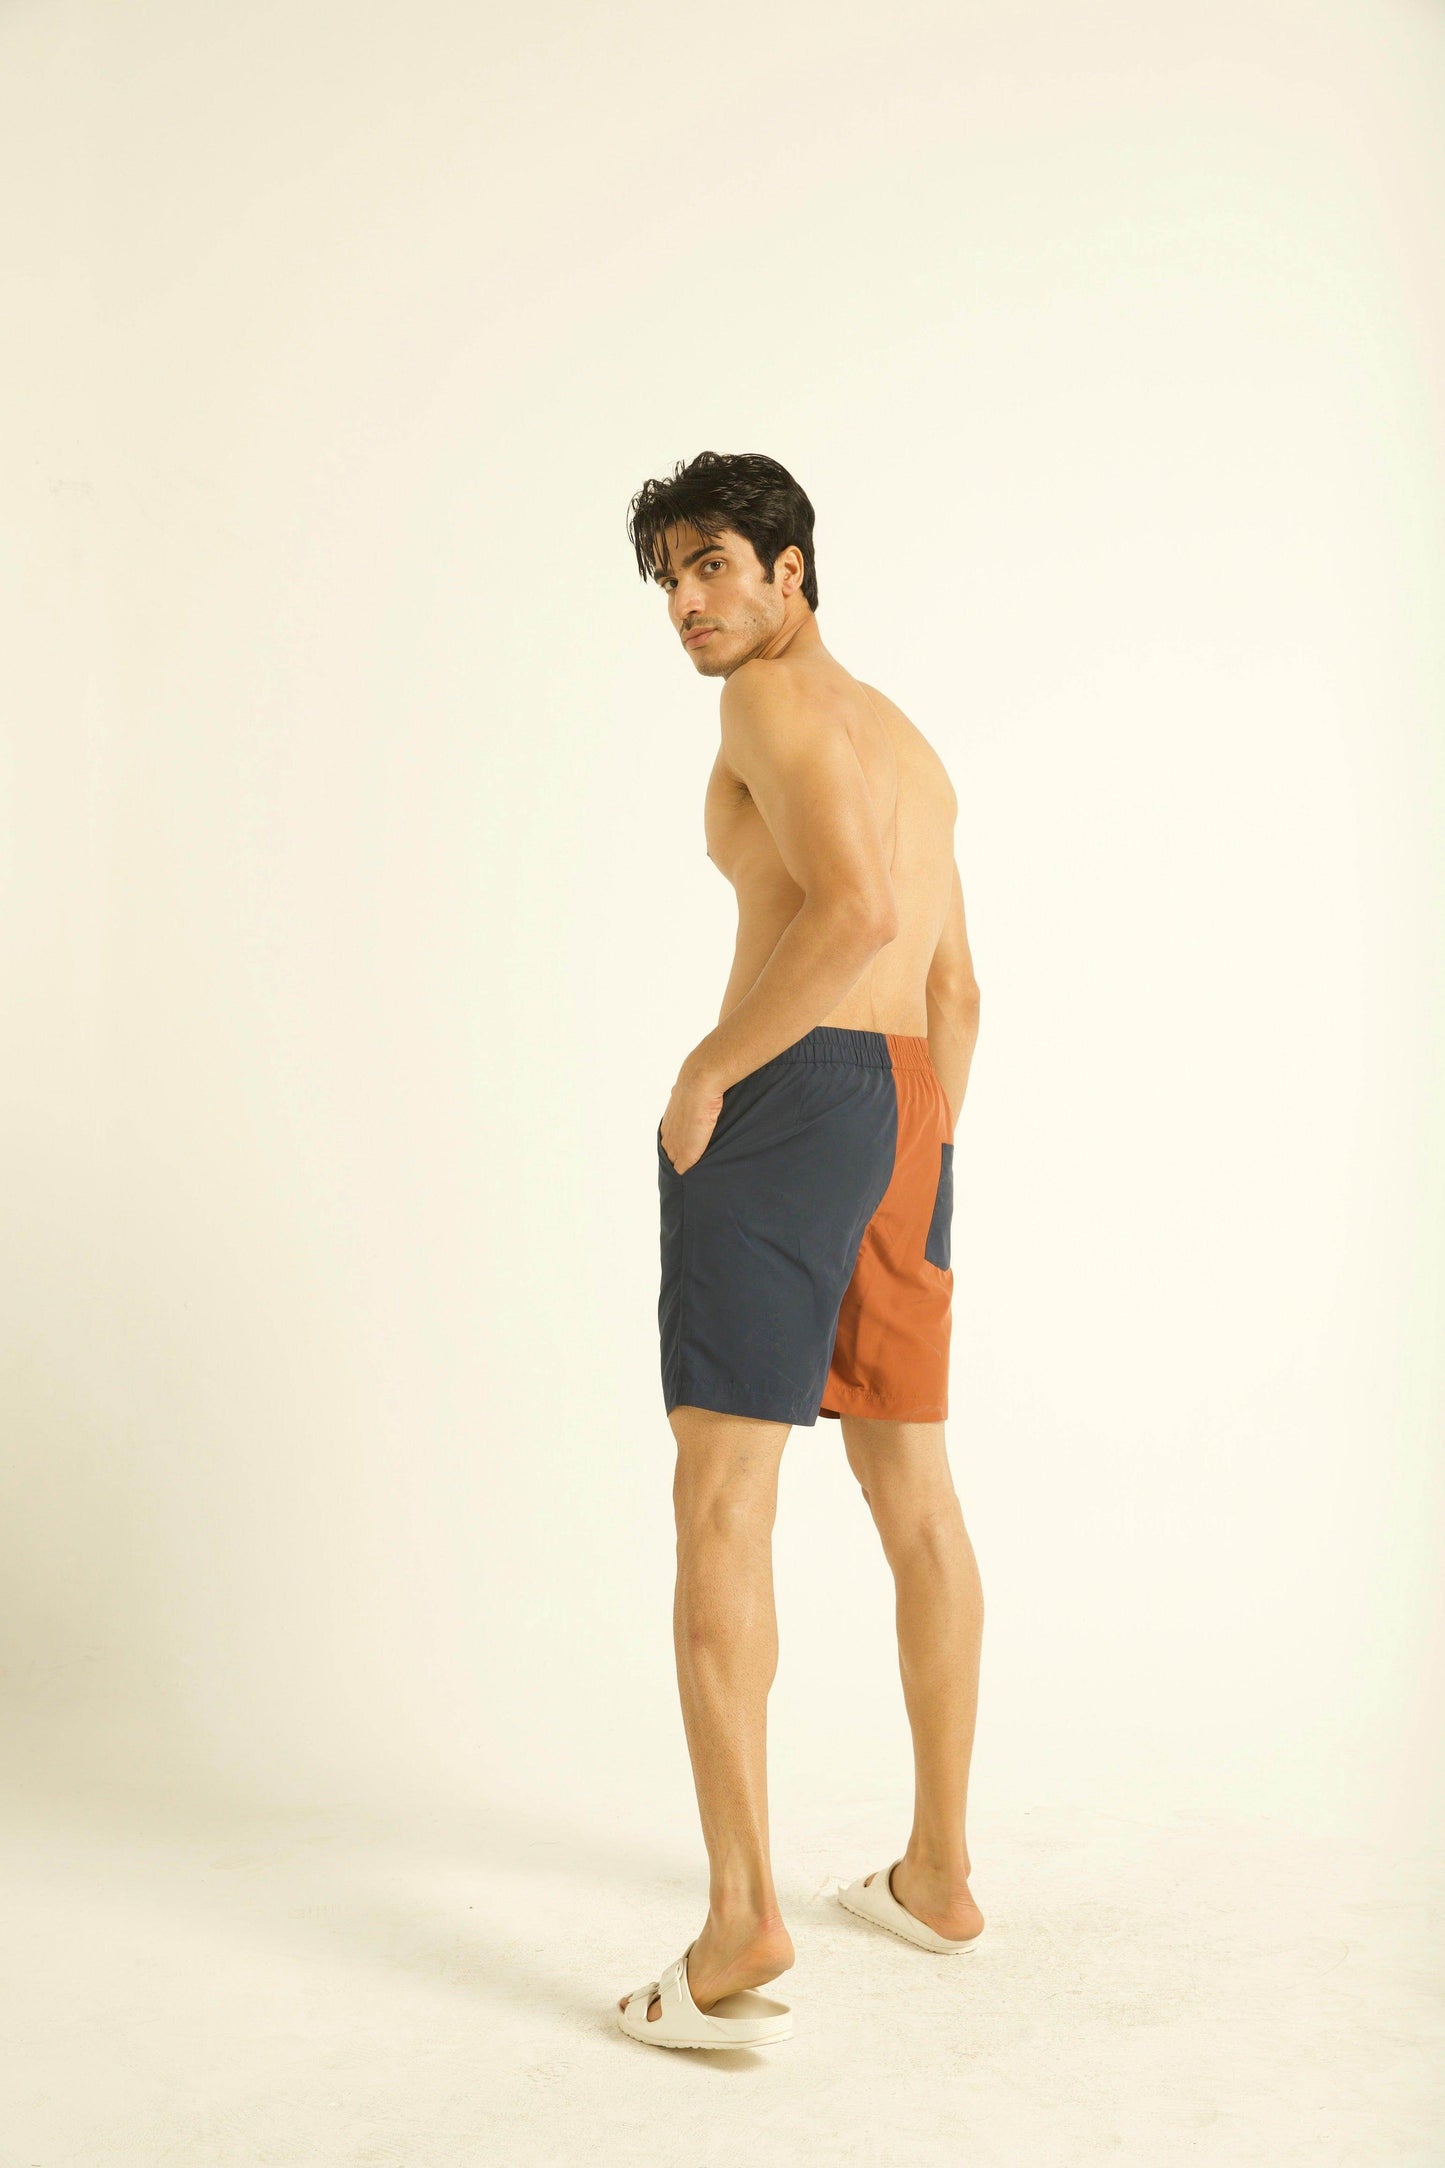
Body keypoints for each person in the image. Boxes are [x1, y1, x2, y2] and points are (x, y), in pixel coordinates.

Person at [616, 451, 984, 2050]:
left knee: (722, 1497)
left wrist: (712, 1073)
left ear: (790, 570)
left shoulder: (766, 704)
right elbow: (953, 984)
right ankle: (936, 1874)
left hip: (794, 1091)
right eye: (667, 580)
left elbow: (848, 911)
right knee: (914, 1490)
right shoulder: (906, 740)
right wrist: (913, 1150)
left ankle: (736, 1927)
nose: (686, 604)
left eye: (711, 565)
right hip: (909, 1097)